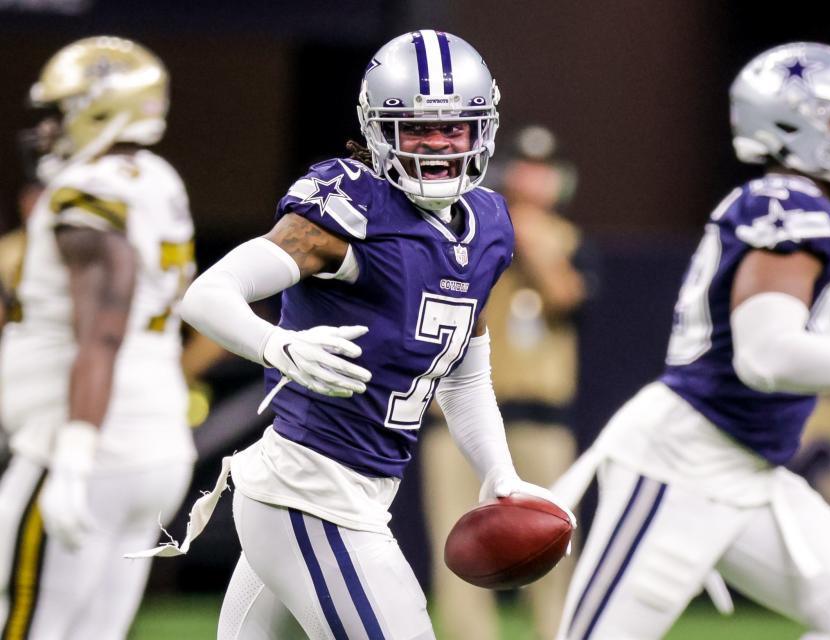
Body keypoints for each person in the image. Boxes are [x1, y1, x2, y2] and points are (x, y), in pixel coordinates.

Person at [171, 30, 573, 640]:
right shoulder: (351, 206)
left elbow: (464, 372)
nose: (436, 145)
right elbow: (207, 295)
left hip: (354, 493)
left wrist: (499, 471)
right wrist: (275, 343)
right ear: (379, 132)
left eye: (452, 128)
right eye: (415, 129)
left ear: (482, 130)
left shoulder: (489, 223)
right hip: (308, 492)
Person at [551, 42, 830, 640]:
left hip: (750, 466)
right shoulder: (788, 205)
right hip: (682, 463)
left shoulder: (801, 205)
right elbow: (769, 356)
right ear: (793, 125)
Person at [0, 36, 197, 639]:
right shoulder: (157, 178)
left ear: (99, 107)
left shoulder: (88, 192)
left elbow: (103, 332)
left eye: (60, 111)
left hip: (84, 443)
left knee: (23, 624)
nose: (49, 127)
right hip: (158, 446)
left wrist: (76, 455)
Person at [421, 125, 586, 640]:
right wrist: (500, 230)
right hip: (457, 419)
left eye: (544, 170)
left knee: (554, 548)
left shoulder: (572, 243)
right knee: (462, 552)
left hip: (539, 418)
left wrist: (529, 238)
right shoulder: (463, 232)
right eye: (525, 167)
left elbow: (567, 298)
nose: (535, 179)